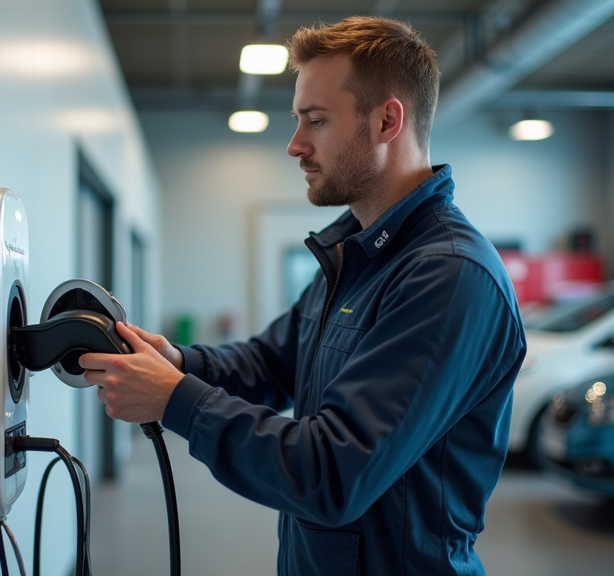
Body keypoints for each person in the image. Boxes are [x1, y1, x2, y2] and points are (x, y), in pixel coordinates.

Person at [80, 15, 526, 576]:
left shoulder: (448, 275)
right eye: (299, 120)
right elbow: (272, 362)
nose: (295, 145)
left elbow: (333, 473)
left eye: (316, 121)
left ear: (388, 120)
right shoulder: (355, 255)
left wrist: (177, 400)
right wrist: (180, 363)